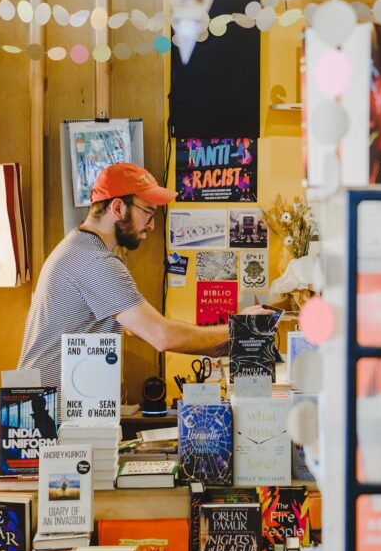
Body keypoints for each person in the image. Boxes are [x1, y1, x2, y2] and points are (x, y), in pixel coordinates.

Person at [18, 162, 261, 392]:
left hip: (47, 405)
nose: (152, 225)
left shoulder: (82, 248)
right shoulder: (95, 261)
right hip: (46, 414)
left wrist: (217, 347)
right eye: (148, 213)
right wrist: (241, 328)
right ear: (117, 208)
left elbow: (137, 329)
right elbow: (160, 335)